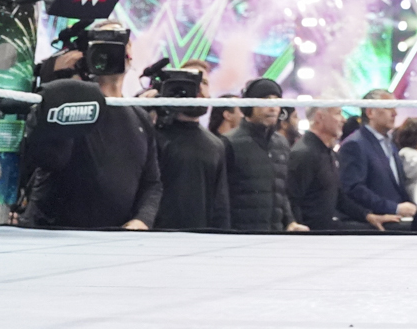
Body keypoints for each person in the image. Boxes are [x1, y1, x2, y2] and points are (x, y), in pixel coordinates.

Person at [20, 25, 162, 231]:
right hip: (54, 230)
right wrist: (62, 82)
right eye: (101, 45)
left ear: (129, 53)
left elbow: (152, 182)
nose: (110, 51)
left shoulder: (141, 117)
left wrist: (142, 220)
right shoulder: (70, 103)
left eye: (118, 42)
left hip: (115, 235)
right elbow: (48, 158)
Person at [150, 65, 231, 231]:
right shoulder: (153, 136)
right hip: (155, 237)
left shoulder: (215, 145)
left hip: (199, 239)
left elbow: (220, 205)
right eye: (192, 81)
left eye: (204, 82)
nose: (199, 87)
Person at [289, 106, 392, 230]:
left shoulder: (327, 152)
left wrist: (368, 216)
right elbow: (292, 199)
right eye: (338, 113)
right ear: (319, 117)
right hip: (311, 235)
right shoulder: (304, 153)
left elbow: (338, 197)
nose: (343, 119)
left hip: (324, 232)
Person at [224, 77, 305, 233]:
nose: (273, 107)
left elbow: (281, 191)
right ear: (249, 106)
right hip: (240, 236)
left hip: (275, 235)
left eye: (276, 101)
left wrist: (290, 221)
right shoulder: (229, 143)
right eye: (265, 100)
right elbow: (221, 198)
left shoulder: (281, 144)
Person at [339, 88, 415, 220]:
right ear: (370, 112)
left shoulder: (390, 144)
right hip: (374, 223)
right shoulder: (355, 144)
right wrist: (394, 208)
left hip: (396, 221)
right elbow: (354, 189)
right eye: (388, 107)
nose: (395, 113)